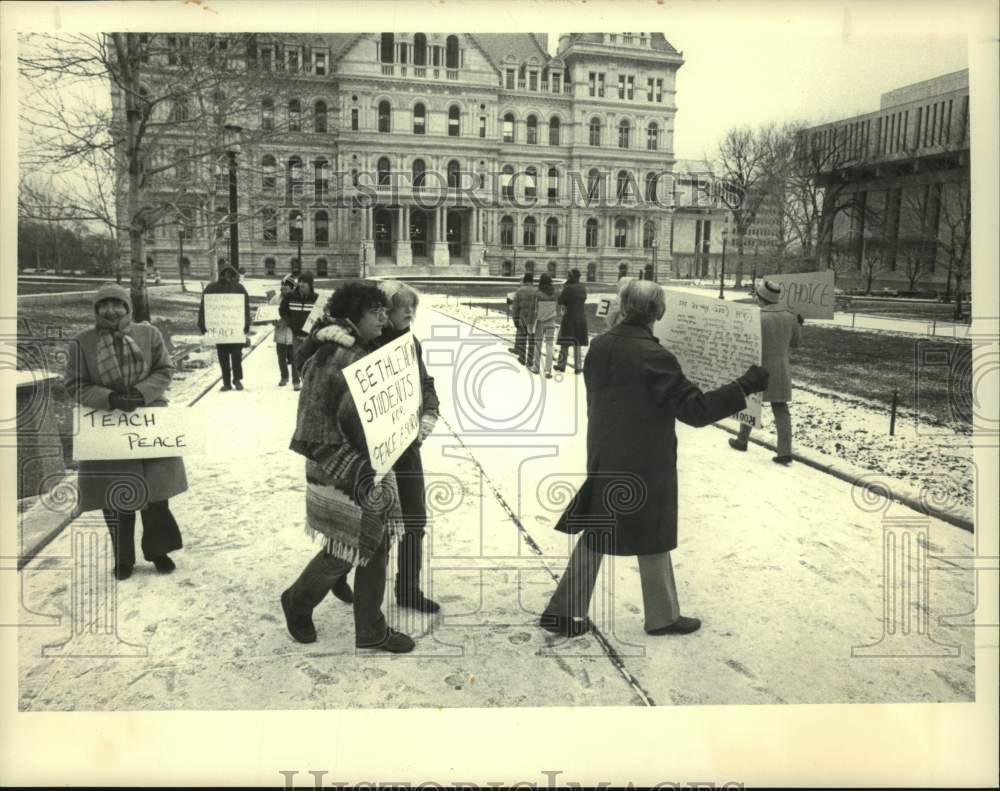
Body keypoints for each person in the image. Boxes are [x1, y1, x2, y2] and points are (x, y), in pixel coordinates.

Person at [539, 280, 770, 637]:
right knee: (654, 533)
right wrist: (743, 386)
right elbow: (695, 411)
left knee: (600, 532)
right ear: (658, 312)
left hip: (605, 451)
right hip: (646, 459)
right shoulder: (655, 356)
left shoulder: (601, 346)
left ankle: (563, 610)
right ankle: (662, 617)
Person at [281, 280, 415, 653]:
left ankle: (370, 628)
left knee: (377, 541)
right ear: (355, 313)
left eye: (384, 311)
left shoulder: (360, 347)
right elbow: (313, 429)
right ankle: (298, 601)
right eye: (376, 311)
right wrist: (356, 470)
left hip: (371, 465)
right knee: (347, 547)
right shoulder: (335, 357)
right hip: (342, 469)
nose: (384, 317)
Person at [312, 281, 442, 612]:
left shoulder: (410, 343)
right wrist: (321, 334)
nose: (409, 312)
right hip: (368, 451)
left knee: (414, 520)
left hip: (405, 444)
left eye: (413, 306)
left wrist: (429, 409)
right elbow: (316, 359)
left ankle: (408, 588)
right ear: (382, 310)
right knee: (359, 523)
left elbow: (424, 382)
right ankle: (336, 575)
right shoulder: (364, 343)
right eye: (402, 307)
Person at [63, 282, 188, 580]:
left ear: (127, 307)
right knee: (115, 496)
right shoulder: (82, 343)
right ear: (96, 310)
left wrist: (141, 392)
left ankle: (158, 550)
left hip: (147, 425)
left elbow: (164, 370)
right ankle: (123, 558)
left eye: (117, 304)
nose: (111, 309)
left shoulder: (149, 334)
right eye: (103, 305)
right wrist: (109, 399)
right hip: (107, 429)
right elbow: (74, 384)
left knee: (156, 495)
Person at [728, 279, 801, 465]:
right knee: (781, 411)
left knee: (751, 404)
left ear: (761, 298)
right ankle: (784, 451)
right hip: (781, 372)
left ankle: (742, 440)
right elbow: (796, 343)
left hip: (758, 370)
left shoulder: (756, 317)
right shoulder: (791, 317)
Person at [197, 263, 251, 391]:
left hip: (236, 329)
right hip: (220, 330)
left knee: (237, 356)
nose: (227, 276)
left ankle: (237, 380)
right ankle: (226, 382)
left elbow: (246, 307)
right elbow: (204, 307)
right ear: (221, 274)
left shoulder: (239, 288)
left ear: (233, 274)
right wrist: (203, 325)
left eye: (230, 274)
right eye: (225, 273)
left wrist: (246, 324)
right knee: (223, 357)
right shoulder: (211, 288)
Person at [279, 270, 319, 391]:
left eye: (304, 282)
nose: (301, 284)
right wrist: (291, 323)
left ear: (310, 285)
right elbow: (282, 311)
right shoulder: (290, 297)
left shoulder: (316, 299)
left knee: (311, 359)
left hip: (310, 335)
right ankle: (296, 381)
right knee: (296, 358)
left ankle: (308, 381)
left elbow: (320, 316)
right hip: (296, 333)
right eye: (300, 282)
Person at [554, 268, 588, 374]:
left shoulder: (568, 288)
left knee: (565, 342)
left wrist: (564, 288)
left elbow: (560, 301)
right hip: (581, 317)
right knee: (577, 343)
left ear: (570, 277)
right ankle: (578, 367)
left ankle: (561, 365)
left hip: (569, 317)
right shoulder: (582, 288)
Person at [527, 273, 558, 378]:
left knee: (538, 344)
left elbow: (532, 309)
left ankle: (536, 367)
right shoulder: (555, 293)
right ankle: (548, 370)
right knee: (549, 345)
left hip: (540, 321)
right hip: (552, 321)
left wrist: (530, 323)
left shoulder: (537, 293)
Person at [271, 274, 297, 386]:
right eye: (282, 285)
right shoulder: (276, 298)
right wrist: (273, 321)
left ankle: (296, 380)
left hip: (293, 333)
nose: (283, 288)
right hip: (280, 331)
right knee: (281, 357)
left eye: (286, 286)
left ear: (292, 288)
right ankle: (284, 377)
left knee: (295, 358)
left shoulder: (296, 298)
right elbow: (269, 312)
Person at [510, 272, 537, 368]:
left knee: (522, 338)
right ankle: (530, 360)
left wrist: (515, 319)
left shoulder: (519, 291)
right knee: (532, 340)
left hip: (522, 318)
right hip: (533, 319)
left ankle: (522, 358)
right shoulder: (536, 291)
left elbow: (515, 308)